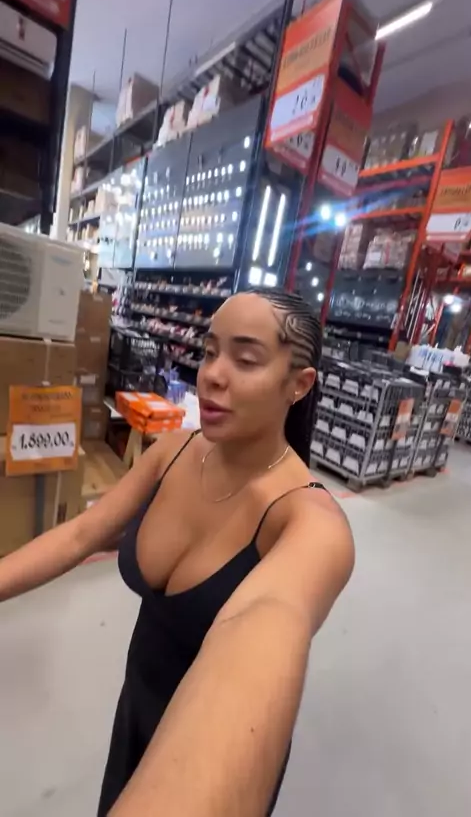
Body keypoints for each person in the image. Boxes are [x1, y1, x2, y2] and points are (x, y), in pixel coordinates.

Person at [0, 288, 354, 816]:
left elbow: (269, 620)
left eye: (246, 359)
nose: (212, 374)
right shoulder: (175, 451)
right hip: (137, 708)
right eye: (210, 352)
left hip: (217, 748)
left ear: (299, 385)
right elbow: (80, 534)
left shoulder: (310, 524)